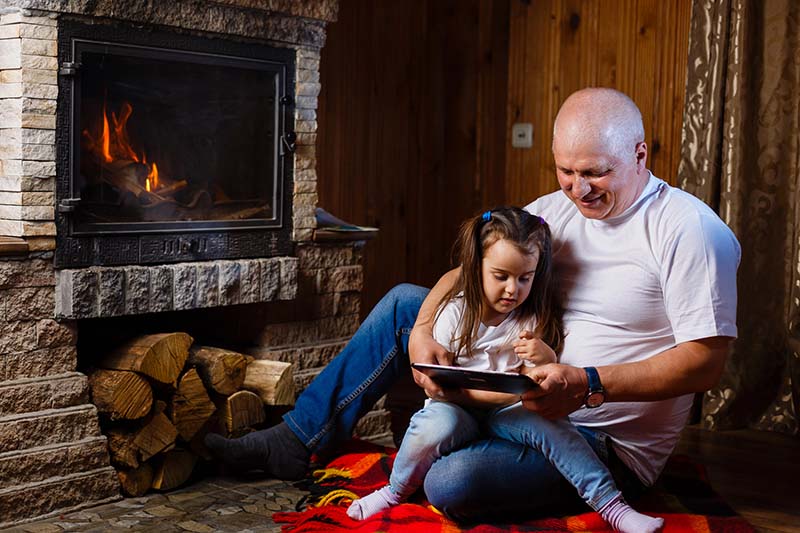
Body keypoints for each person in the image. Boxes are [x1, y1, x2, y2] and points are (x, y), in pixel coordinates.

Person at [205, 87, 740, 522]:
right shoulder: (554, 211)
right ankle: (299, 438)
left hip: (602, 437)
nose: (578, 189)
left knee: (450, 483)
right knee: (403, 303)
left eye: (595, 172)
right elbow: (466, 272)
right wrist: (421, 332)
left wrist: (587, 382)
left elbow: (706, 362)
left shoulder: (688, 230)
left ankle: (448, 451)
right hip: (514, 389)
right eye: (566, 171)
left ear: (640, 155)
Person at [346, 207, 664, 533]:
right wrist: (470, 392)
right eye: (501, 277)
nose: (513, 289)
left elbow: (531, 381)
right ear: (475, 268)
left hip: (508, 412)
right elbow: (439, 386)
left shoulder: (529, 315)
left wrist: (545, 357)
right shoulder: (455, 312)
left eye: (525, 278)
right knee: (431, 428)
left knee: (553, 427)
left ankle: (612, 506)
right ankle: (394, 491)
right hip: (455, 407)